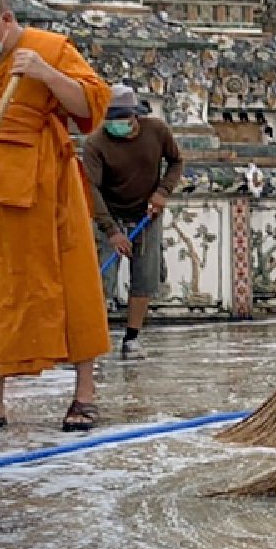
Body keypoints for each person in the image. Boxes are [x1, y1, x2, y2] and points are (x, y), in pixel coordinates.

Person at [0, 0, 112, 435]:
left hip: (51, 183)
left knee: (71, 280)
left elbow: (92, 108)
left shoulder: (49, 49)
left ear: (6, 20)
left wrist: (45, 73)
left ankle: (84, 395)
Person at [83, 86, 182, 359]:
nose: (116, 124)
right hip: (108, 214)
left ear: (135, 117)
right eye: (110, 119)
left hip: (146, 214)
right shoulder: (95, 144)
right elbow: (90, 189)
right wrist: (112, 231)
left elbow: (176, 162)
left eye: (122, 118)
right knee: (103, 279)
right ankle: (95, 339)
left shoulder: (157, 131)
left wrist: (163, 192)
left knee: (145, 275)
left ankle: (132, 338)